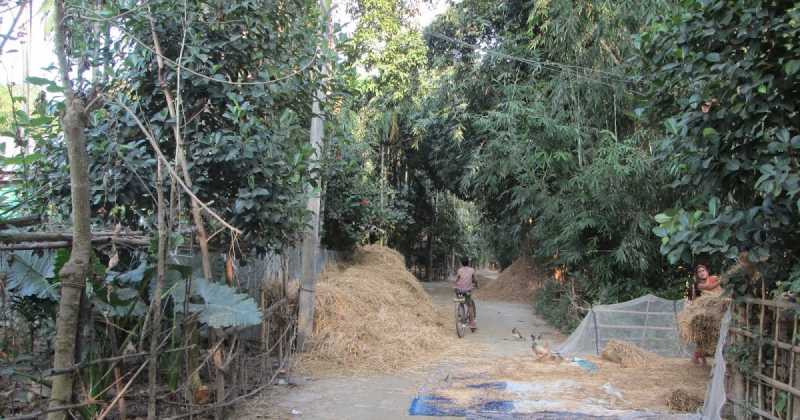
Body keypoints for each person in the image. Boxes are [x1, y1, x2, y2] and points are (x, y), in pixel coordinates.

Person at [690, 264, 723, 365]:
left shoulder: (714, 278)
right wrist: (724, 278)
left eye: (703, 270)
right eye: (699, 272)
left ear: (707, 271)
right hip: (708, 310)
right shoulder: (699, 285)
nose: (702, 273)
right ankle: (697, 356)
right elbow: (709, 287)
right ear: (697, 275)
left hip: (720, 307)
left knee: (713, 335)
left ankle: (702, 356)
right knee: (703, 334)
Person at [454, 257, 478, 330]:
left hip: (458, 290)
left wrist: (456, 284)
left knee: (460, 300)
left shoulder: (459, 270)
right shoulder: (472, 270)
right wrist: (476, 284)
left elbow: (456, 279)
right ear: (468, 263)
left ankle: (460, 313)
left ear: (461, 263)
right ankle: (472, 324)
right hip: (467, 291)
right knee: (470, 306)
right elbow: (475, 280)